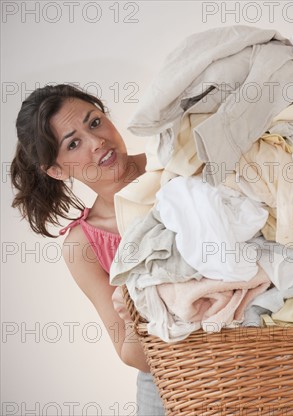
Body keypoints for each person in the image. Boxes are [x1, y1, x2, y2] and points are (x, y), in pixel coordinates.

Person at [10, 84, 165, 416]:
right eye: (74, 143)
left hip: (258, 357)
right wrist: (137, 305)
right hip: (168, 383)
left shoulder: (173, 162)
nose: (98, 142)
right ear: (56, 170)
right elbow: (131, 355)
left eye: (94, 122)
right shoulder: (84, 244)